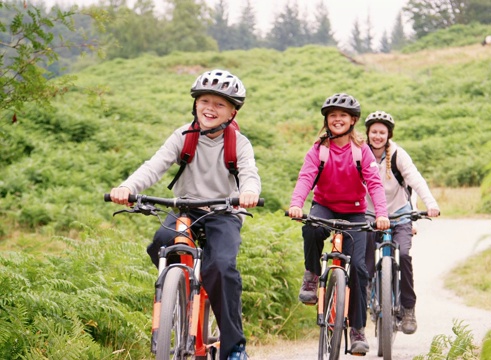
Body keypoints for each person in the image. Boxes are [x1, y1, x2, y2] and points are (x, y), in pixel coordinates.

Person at [109, 69, 260, 360]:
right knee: (162, 242)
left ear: (232, 111)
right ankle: (177, 296)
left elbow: (249, 174)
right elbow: (154, 166)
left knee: (222, 268)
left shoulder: (239, 143)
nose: (210, 109)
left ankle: (234, 347)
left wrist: (249, 192)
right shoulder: (183, 136)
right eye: (205, 101)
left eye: (219, 104)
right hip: (186, 209)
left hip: (223, 212)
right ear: (195, 104)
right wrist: (127, 187)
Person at [288, 93, 390, 354]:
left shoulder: (361, 151)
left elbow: (374, 183)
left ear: (353, 120)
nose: (337, 119)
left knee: (358, 268)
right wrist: (297, 203)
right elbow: (305, 178)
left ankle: (357, 330)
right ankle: (312, 275)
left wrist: (381, 213)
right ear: (327, 120)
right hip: (324, 207)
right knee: (311, 228)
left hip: (355, 213)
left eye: (343, 116)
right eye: (332, 115)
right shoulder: (319, 149)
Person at [363, 110, 440, 335]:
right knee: (364, 254)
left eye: (382, 132)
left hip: (399, 213)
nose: (378, 136)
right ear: (367, 133)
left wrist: (431, 203)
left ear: (389, 134)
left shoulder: (398, 155)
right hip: (370, 214)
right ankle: (366, 291)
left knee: (404, 255)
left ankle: (408, 308)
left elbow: (416, 180)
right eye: (374, 132)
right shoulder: (360, 153)